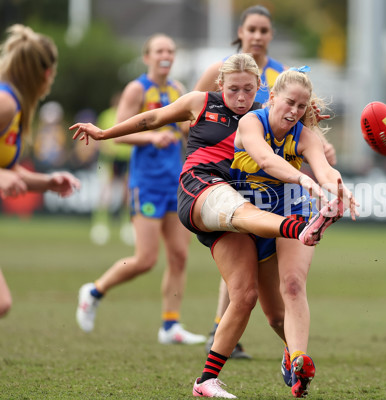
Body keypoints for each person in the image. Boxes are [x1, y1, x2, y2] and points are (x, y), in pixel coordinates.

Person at [70, 53, 345, 398]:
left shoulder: (264, 113)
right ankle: (296, 228)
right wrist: (105, 133)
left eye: (249, 90)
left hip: (237, 208)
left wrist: (312, 125)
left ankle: (207, 381)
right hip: (200, 187)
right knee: (232, 210)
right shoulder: (201, 102)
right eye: (233, 89)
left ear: (260, 88)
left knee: (246, 296)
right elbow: (153, 118)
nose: (241, 97)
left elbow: (292, 116)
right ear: (220, 86)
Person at [194, 5, 337, 359]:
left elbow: (301, 125)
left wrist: (321, 157)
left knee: (282, 292)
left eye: (264, 30)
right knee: (238, 263)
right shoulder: (220, 70)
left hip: (279, 194)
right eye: (252, 29)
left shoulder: (281, 75)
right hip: (235, 178)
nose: (257, 36)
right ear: (240, 32)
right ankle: (221, 324)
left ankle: (294, 357)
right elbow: (195, 114)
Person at [229, 66, 357, 398]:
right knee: (274, 316)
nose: (294, 112)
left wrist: (339, 188)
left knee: (294, 285)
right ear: (272, 98)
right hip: (249, 217)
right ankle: (291, 352)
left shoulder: (304, 135)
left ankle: (299, 360)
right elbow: (265, 159)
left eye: (301, 107)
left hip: (293, 211)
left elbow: (325, 170)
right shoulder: (251, 123)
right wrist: (302, 178)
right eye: (289, 103)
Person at [75, 33, 206, 345]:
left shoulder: (177, 89)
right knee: (146, 259)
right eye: (160, 49)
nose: (166, 54)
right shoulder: (137, 89)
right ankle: (94, 291)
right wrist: (150, 138)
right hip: (145, 184)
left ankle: (170, 325)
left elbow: (187, 128)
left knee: (179, 256)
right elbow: (118, 132)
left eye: (171, 50)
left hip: (174, 182)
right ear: (147, 57)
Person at [0, 24, 81, 317]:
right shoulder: (5, 103)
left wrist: (47, 182)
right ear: (46, 73)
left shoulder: (17, 107)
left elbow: (10, 169)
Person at [90, 91, 134, 246]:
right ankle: (101, 225)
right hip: (110, 159)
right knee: (105, 193)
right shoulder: (106, 115)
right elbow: (99, 137)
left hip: (126, 158)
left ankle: (127, 226)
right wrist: (106, 149)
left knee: (127, 194)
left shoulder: (131, 115)